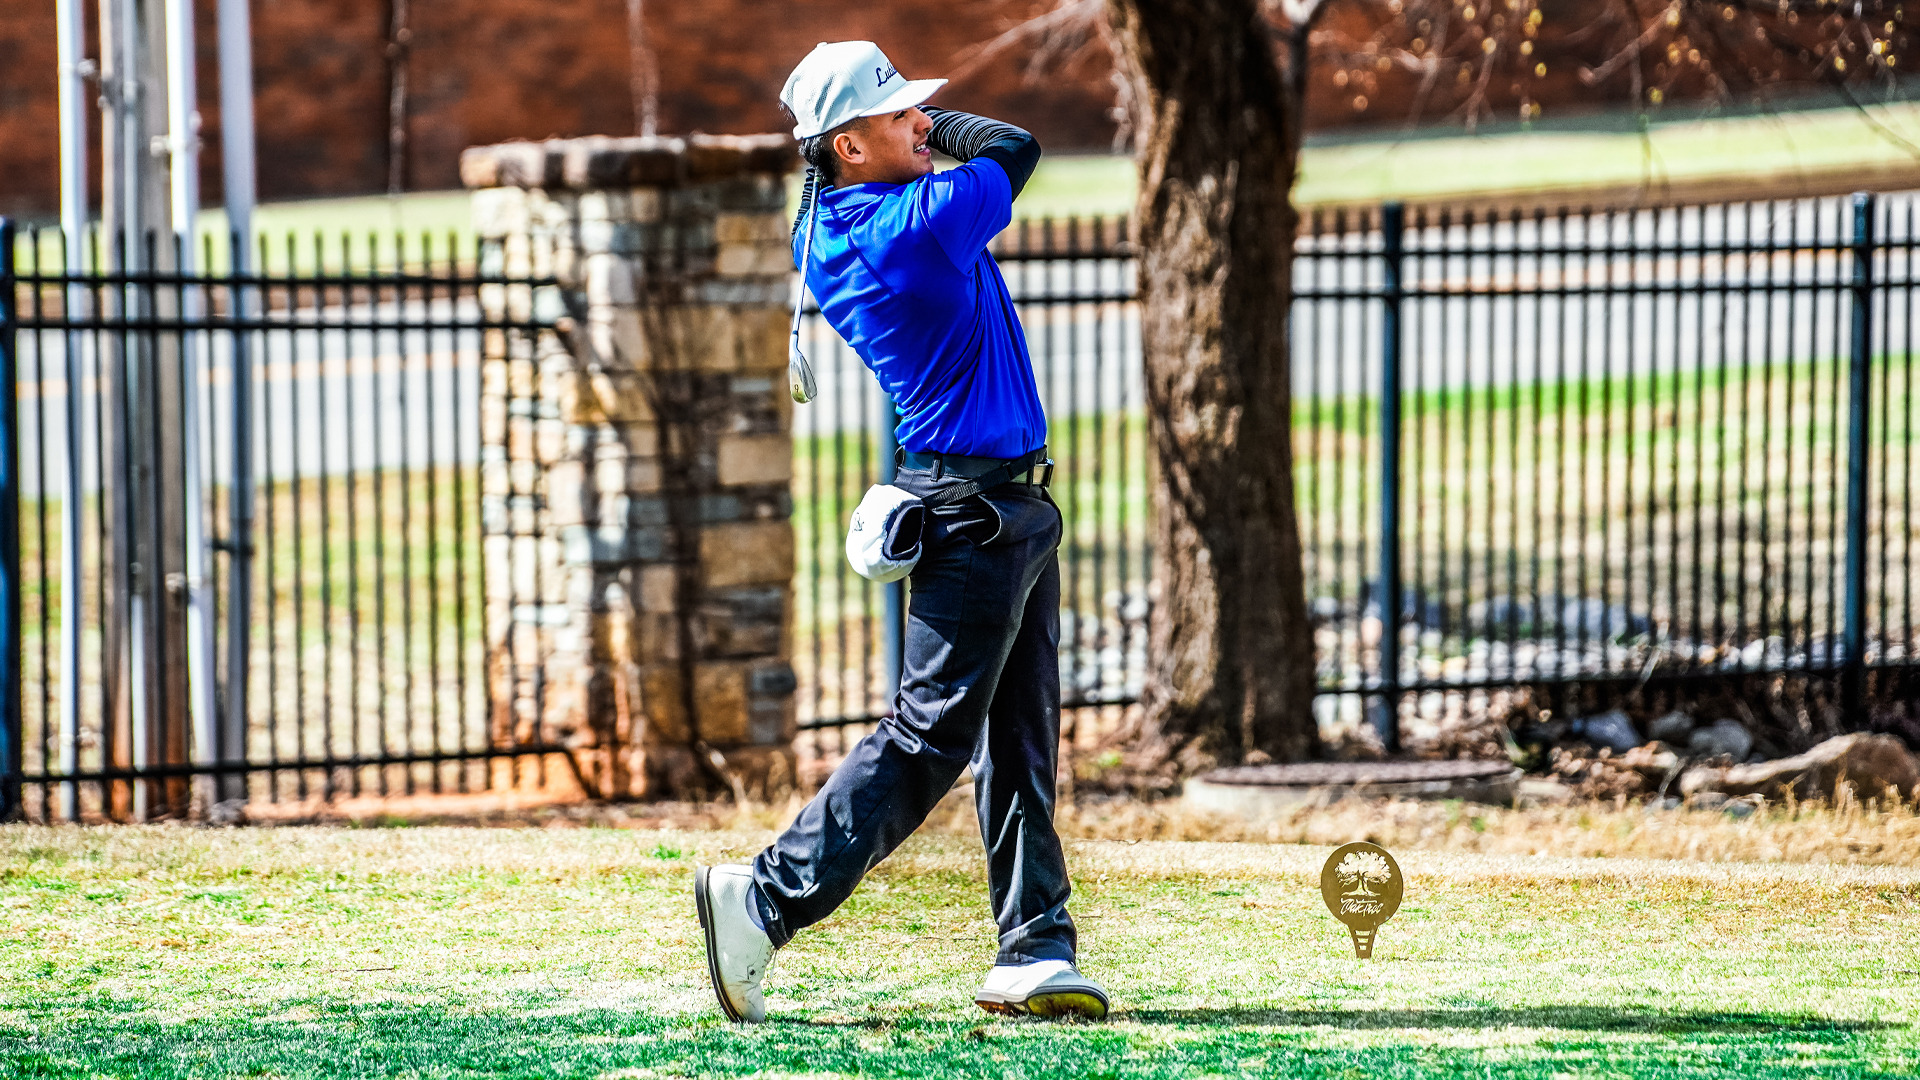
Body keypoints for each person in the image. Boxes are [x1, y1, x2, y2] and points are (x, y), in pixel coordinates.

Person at [693, 40, 1107, 1025]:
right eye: (901, 116)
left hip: (1003, 504)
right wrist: (946, 137)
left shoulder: (851, 220)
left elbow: (983, 152)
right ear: (847, 146)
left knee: (1018, 737)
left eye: (921, 111)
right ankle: (763, 900)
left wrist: (909, 132)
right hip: (976, 510)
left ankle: (1034, 947)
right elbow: (1015, 144)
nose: (924, 122)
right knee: (930, 737)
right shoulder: (912, 226)